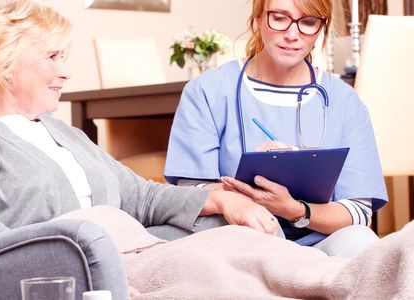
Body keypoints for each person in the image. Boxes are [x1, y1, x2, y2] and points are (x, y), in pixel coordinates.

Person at [0, 0, 280, 260]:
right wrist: (86, 274)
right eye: (52, 57)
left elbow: (142, 198)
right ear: (4, 65)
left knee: (242, 227)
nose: (66, 72)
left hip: (130, 248)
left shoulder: (62, 132)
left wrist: (222, 198)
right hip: (74, 266)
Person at [164, 0, 388, 256]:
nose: (293, 35)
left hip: (320, 239)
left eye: (308, 22)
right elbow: (189, 193)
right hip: (237, 237)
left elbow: (357, 212)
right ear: (258, 19)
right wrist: (246, 193)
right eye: (280, 18)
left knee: (361, 243)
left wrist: (294, 209)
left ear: (320, 28)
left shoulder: (345, 102)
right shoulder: (207, 91)